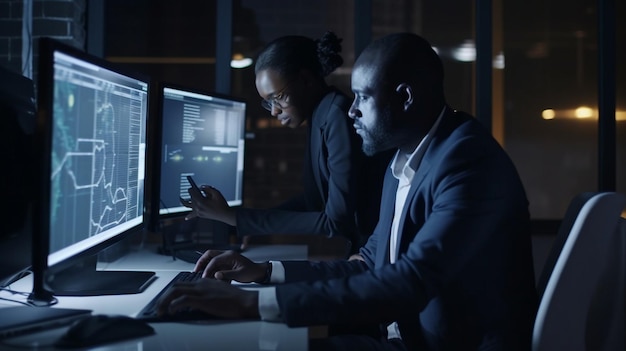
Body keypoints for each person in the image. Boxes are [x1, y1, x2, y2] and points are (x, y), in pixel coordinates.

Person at [158, 32, 538, 351]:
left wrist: (255, 305)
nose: (350, 111)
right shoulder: (404, 160)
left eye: (363, 98)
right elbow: (368, 264)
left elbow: (412, 280)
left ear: (404, 97)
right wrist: (264, 274)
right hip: (405, 335)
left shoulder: (466, 162)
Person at [181, 31, 392, 252]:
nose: (274, 111)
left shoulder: (336, 116)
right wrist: (253, 226)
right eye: (268, 102)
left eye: (278, 97)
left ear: (305, 80)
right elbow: (314, 200)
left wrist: (234, 217)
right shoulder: (322, 116)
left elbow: (335, 222)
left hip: (376, 256)